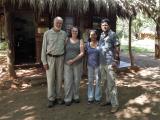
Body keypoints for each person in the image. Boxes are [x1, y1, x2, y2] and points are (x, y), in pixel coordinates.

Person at [41, 16, 67, 108]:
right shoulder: (47, 34)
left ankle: (59, 97)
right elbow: (44, 48)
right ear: (53, 23)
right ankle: (51, 98)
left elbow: (65, 47)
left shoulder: (64, 34)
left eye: (60, 23)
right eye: (57, 23)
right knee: (50, 79)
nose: (59, 24)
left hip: (61, 58)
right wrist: (44, 62)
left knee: (60, 79)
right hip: (50, 59)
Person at [99, 18, 120, 113]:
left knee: (112, 84)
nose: (104, 26)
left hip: (110, 63)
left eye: (106, 25)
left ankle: (115, 104)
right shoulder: (101, 35)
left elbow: (117, 48)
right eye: (103, 25)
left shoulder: (113, 34)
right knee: (105, 83)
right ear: (101, 26)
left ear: (109, 26)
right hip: (102, 63)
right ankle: (108, 100)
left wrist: (115, 60)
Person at [64, 26, 84, 106]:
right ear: (71, 32)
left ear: (78, 32)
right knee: (68, 81)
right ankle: (68, 98)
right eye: (73, 31)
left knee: (76, 81)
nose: (74, 32)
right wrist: (66, 61)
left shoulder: (80, 41)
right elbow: (63, 51)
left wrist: (73, 60)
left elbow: (82, 53)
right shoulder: (66, 40)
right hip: (67, 64)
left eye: (76, 31)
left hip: (77, 64)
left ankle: (76, 96)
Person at [86, 30, 101, 104]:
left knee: (98, 81)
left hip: (98, 65)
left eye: (94, 34)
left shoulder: (99, 44)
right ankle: (90, 97)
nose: (92, 36)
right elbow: (85, 56)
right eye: (91, 35)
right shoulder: (87, 44)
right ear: (89, 36)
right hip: (90, 66)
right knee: (90, 81)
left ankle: (97, 97)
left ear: (96, 35)